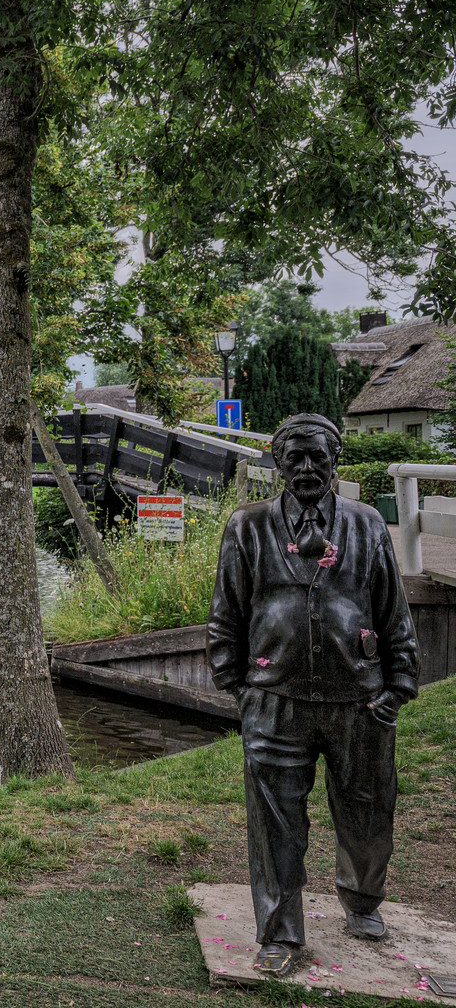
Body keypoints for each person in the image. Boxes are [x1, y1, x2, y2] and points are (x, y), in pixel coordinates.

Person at [207, 413, 418, 977]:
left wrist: (399, 682)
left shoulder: (368, 524)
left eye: (316, 457)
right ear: (277, 463)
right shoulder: (246, 526)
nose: (305, 468)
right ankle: (279, 933)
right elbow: (226, 613)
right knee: (275, 822)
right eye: (293, 457)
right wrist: (238, 686)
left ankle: (363, 901)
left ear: (334, 460)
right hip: (276, 699)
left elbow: (392, 606)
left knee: (369, 809)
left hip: (361, 697)